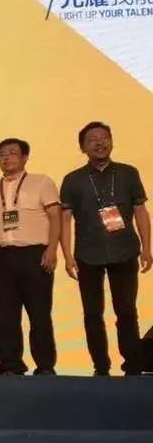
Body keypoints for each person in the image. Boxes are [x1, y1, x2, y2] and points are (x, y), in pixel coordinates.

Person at [60, 122, 152, 375]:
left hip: (125, 250)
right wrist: (67, 256)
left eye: (104, 137)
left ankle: (132, 365)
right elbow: (65, 220)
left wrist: (147, 247)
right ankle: (100, 366)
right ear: (82, 147)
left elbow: (140, 211)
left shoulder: (128, 173)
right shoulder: (73, 179)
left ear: (111, 141)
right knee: (92, 313)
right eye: (92, 139)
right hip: (87, 254)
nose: (99, 143)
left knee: (126, 310)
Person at [0, 138, 61, 375]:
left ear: (25, 157)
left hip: (34, 254)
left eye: (12, 153)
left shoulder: (42, 182)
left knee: (39, 313)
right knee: (6, 314)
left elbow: (55, 217)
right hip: (1, 255)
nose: (6, 158)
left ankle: (45, 366)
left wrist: (52, 249)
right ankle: (11, 364)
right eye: (1, 154)